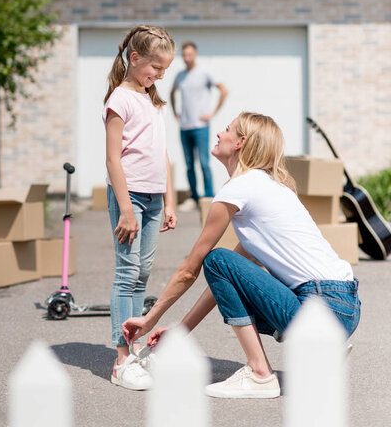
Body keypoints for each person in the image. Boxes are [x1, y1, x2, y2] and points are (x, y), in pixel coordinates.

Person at [123, 112, 361, 398]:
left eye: (226, 130)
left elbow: (192, 268)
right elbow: (226, 282)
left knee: (216, 258)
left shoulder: (240, 188)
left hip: (322, 306)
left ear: (240, 143)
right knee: (222, 265)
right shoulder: (270, 189)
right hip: (343, 309)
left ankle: (260, 374)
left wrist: (149, 319)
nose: (219, 134)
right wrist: (180, 331)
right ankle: (323, 347)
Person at [103, 24, 177, 390]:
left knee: (143, 273)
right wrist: (125, 208)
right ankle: (121, 359)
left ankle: (133, 351)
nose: (160, 75)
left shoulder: (152, 100)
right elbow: (113, 160)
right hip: (129, 197)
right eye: (156, 68)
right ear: (135, 59)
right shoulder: (120, 99)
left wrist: (169, 199)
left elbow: (161, 154)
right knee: (126, 272)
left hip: (152, 198)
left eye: (164, 70)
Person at [170, 42, 228, 211]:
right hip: (184, 126)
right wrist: (175, 112)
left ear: (195, 54)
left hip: (201, 126)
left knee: (204, 162)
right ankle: (193, 197)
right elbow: (172, 93)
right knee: (189, 164)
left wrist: (213, 113)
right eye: (184, 55)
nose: (187, 58)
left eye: (189, 54)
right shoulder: (180, 76)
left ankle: (209, 196)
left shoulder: (204, 73)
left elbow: (223, 90)